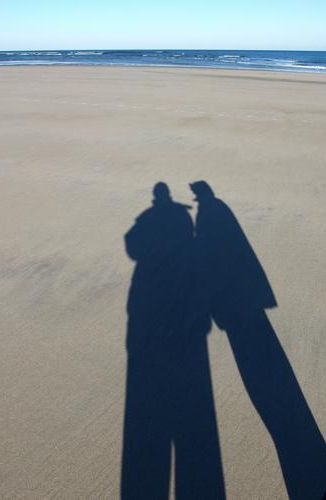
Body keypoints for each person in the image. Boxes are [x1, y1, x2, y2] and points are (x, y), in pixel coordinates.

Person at [190, 180, 326, 500]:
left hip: (237, 306)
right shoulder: (218, 210)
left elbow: (212, 253)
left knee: (272, 397)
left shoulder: (209, 214)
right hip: (247, 302)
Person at [121, 183, 225, 500]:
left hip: (152, 300)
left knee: (154, 371)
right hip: (181, 292)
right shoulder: (183, 218)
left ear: (156, 197)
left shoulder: (148, 218)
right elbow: (191, 246)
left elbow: (132, 247)